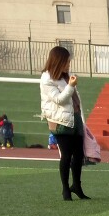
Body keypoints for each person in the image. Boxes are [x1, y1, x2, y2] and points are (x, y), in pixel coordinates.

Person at [40, 45, 90, 201]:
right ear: (58, 61)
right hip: (60, 121)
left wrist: (81, 117)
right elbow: (59, 100)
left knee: (79, 154)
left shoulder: (64, 76)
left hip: (74, 118)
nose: (69, 64)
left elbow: (75, 99)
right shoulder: (47, 78)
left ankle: (76, 186)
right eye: (66, 62)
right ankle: (65, 189)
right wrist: (71, 86)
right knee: (66, 155)